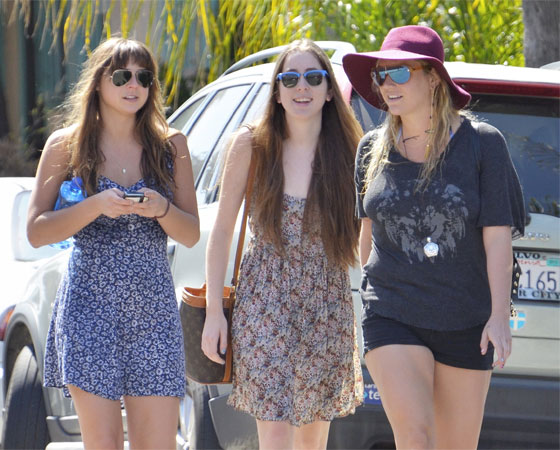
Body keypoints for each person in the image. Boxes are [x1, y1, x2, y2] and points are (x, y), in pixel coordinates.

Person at [342, 25, 525, 449]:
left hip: (465, 319)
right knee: (416, 437)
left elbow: (497, 237)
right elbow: (367, 237)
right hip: (391, 312)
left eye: (399, 72)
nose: (387, 84)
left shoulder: (482, 144)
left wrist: (500, 315)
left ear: (433, 78)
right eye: (381, 74)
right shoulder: (371, 149)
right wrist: (365, 299)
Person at [27, 37, 199, 449]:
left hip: (153, 310)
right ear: (99, 82)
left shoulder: (171, 144)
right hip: (89, 308)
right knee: (103, 443)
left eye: (144, 77)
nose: (133, 85)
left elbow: (191, 233)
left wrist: (161, 208)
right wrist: (96, 206)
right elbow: (36, 231)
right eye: (122, 76)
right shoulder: (66, 145)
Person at [201, 39, 364, 449]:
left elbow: (367, 238)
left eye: (313, 78)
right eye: (290, 79)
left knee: (312, 441)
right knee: (274, 436)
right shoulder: (252, 145)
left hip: (325, 306)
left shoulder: (350, 151)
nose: (301, 87)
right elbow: (222, 231)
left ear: (329, 91)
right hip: (265, 302)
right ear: (277, 92)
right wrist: (215, 312)